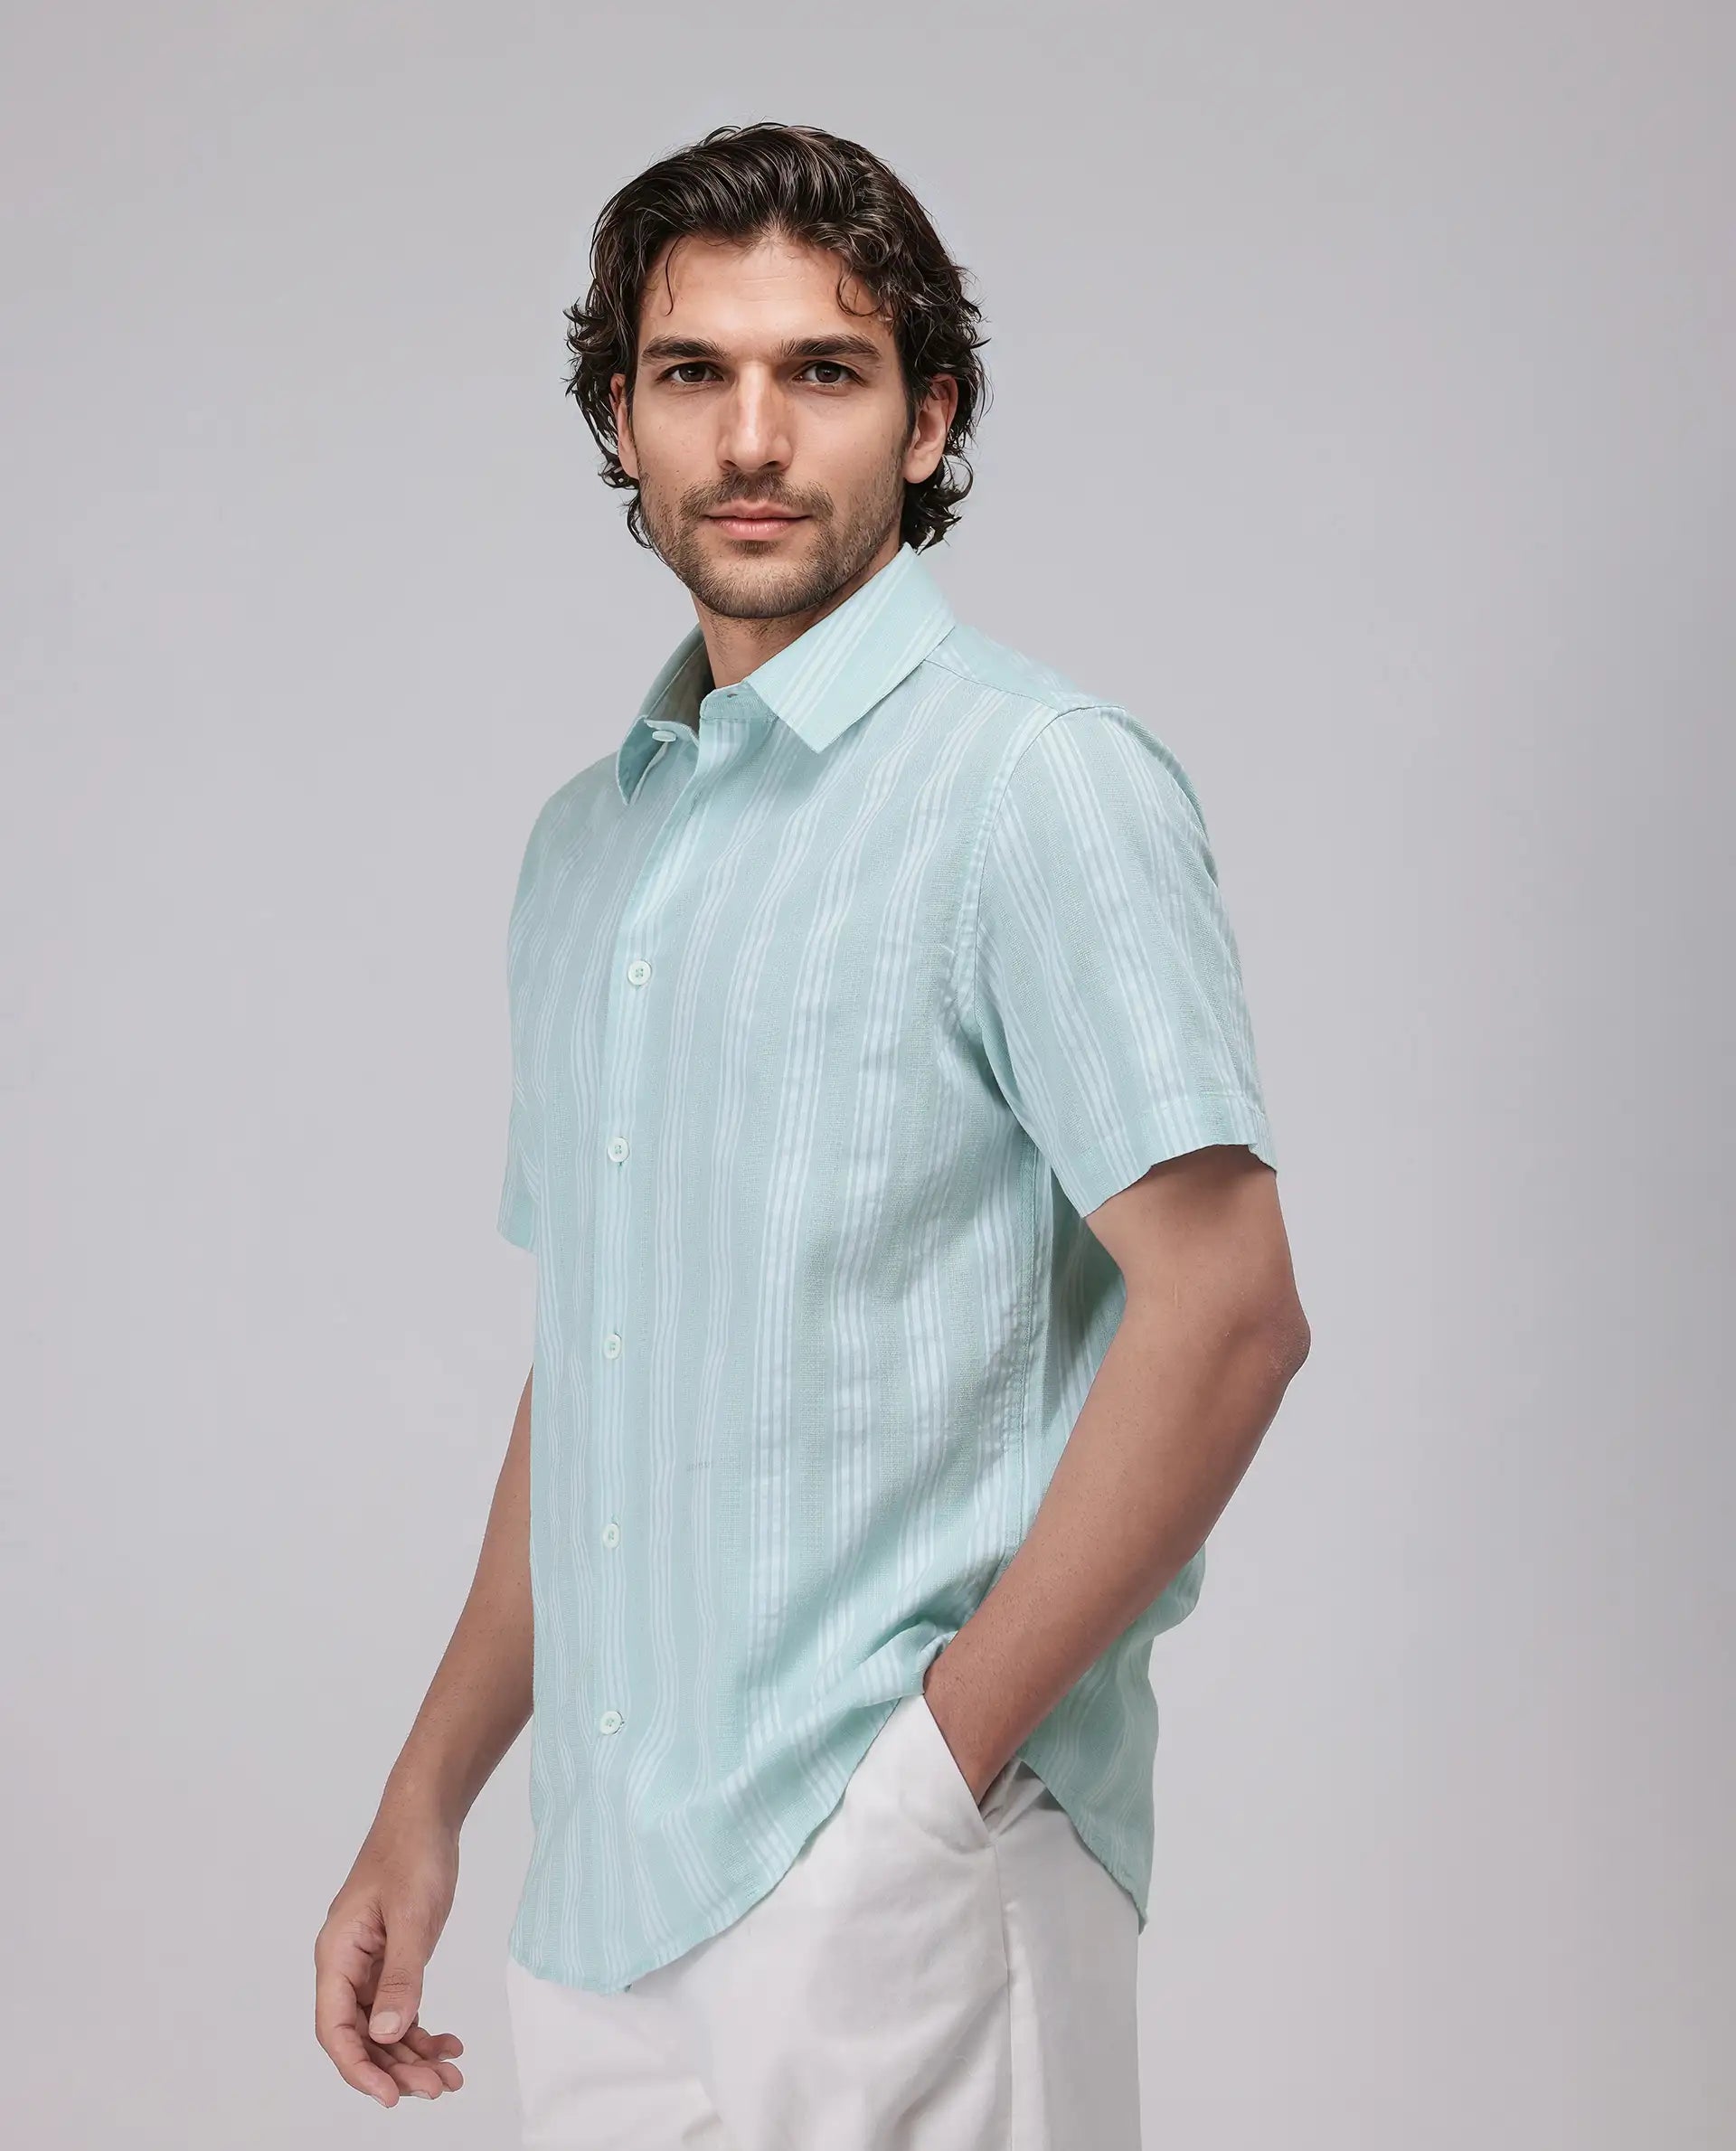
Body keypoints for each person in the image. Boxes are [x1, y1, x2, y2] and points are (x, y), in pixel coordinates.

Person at [314, 118, 1310, 2149]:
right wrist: (428, 1795)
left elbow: (1227, 1312)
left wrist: (932, 1777)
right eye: (694, 372)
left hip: (903, 1877)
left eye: (825, 371)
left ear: (928, 419)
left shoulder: (1037, 787)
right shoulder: (589, 847)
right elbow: (599, 1358)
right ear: (622, 418)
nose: (753, 436)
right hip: (602, 1908)